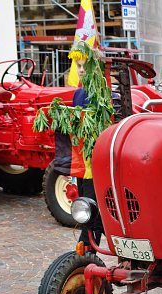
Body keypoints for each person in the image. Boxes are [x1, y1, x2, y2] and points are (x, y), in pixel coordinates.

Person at [53, 44, 104, 251]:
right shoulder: (78, 94)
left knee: (91, 205)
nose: (81, 70)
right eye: (78, 66)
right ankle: (88, 246)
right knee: (84, 201)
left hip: (94, 161)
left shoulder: (102, 94)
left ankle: (87, 247)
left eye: (84, 66)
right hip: (81, 160)